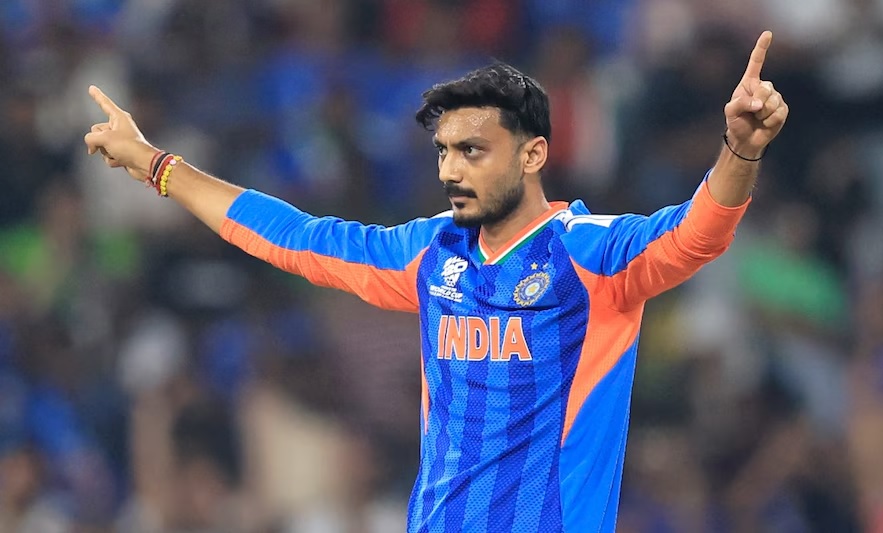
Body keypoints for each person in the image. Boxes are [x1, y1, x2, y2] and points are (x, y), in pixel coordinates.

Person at [84, 31, 788, 533]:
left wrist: (740, 149)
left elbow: (698, 233)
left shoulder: (589, 254)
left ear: (534, 154)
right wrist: (158, 166)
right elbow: (296, 238)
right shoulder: (432, 253)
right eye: (444, 151)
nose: (451, 169)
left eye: (473, 150)